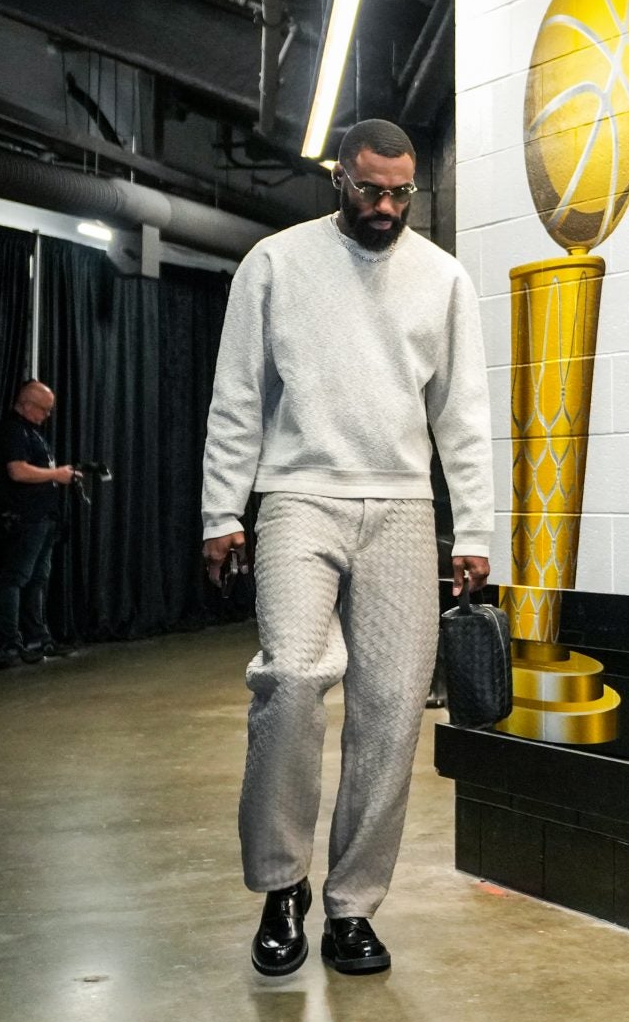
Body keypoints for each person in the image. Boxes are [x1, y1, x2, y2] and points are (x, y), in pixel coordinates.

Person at [202, 118, 494, 977]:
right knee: (292, 677)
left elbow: (464, 415)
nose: (387, 206)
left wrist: (473, 528)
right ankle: (280, 884)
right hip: (297, 496)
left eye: (402, 192)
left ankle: (352, 907)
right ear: (339, 178)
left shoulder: (440, 278)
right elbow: (238, 396)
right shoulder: (276, 263)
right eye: (371, 188)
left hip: (403, 505)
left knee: (391, 713)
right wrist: (223, 510)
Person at [0, 381, 79, 665]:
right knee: (15, 579)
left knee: (37, 580)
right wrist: (55, 475)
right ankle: (9, 644)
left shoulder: (32, 433)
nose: (46, 415)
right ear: (26, 404)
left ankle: (37, 639)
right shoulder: (13, 430)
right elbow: (17, 471)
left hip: (42, 519)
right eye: (43, 409)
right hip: (26, 519)